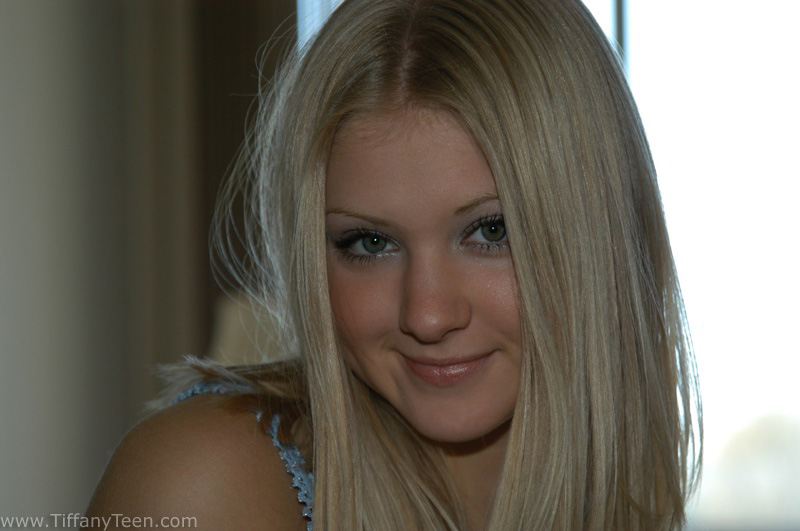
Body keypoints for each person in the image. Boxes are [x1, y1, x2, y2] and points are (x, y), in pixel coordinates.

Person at [85, 0, 702, 529]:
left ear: (596, 236)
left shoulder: (633, 494)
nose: (427, 316)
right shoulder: (205, 484)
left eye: (491, 232)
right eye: (370, 243)